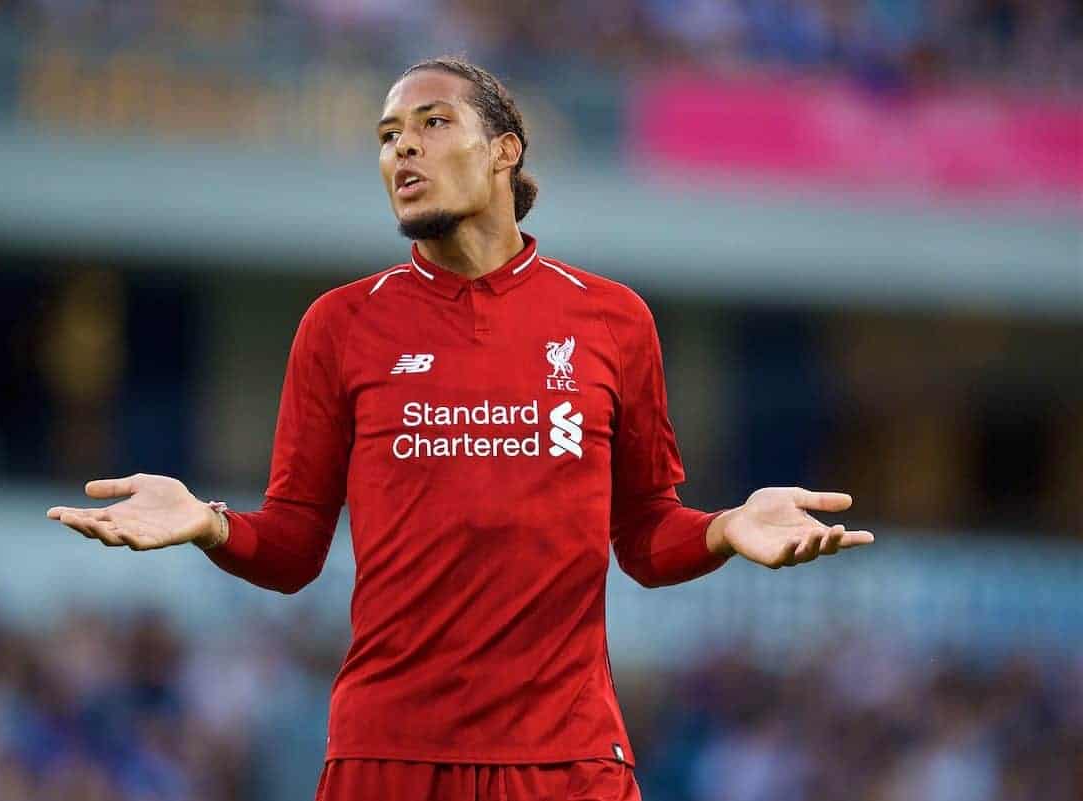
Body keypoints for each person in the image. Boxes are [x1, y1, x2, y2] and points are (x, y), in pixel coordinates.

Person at [47, 57, 874, 801]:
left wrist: (726, 528)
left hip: (568, 759)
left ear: (504, 151)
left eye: (431, 123)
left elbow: (646, 537)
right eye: (386, 136)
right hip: (388, 755)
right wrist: (209, 524)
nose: (401, 150)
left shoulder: (614, 320)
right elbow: (295, 546)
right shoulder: (339, 325)